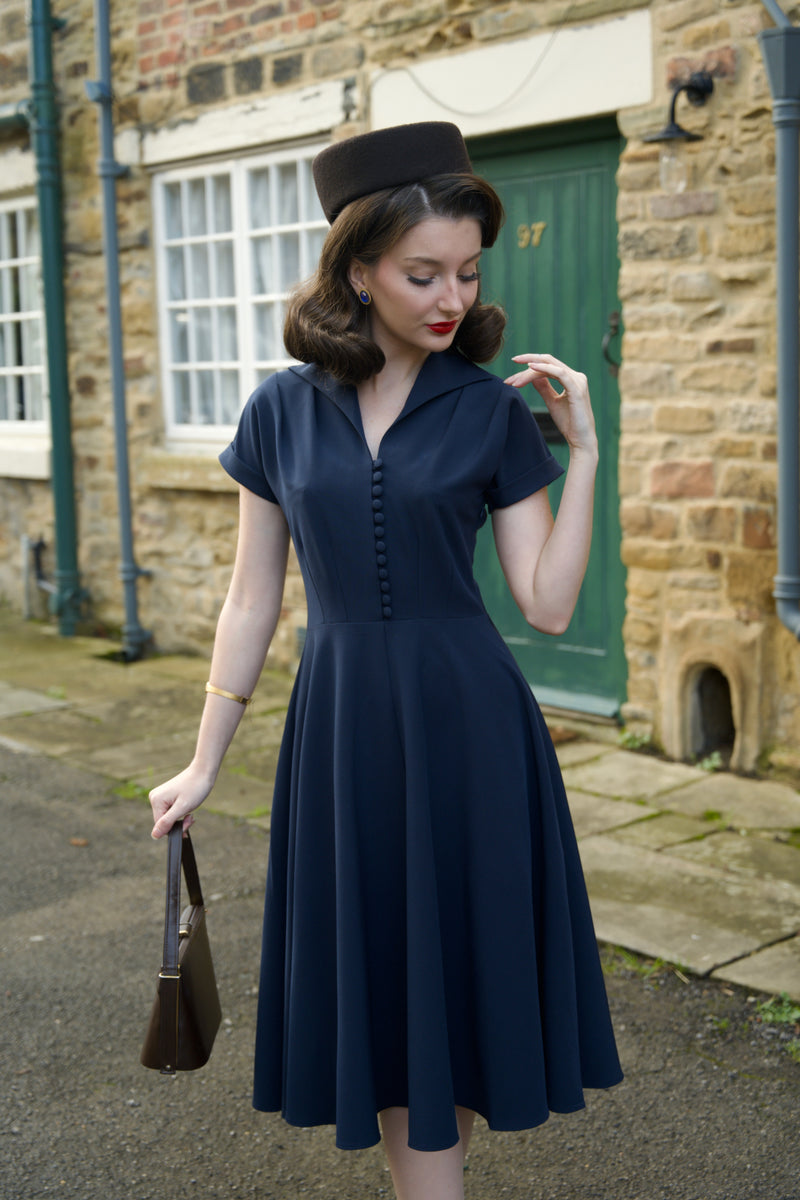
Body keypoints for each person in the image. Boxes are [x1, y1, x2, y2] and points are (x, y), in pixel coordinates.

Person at [149, 121, 622, 1200]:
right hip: (343, 725)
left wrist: (583, 452)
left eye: (464, 272)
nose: (450, 297)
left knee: (449, 980)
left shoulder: (490, 411)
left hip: (470, 731)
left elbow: (547, 606)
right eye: (421, 273)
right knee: (390, 978)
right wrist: (204, 759)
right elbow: (250, 595)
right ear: (357, 271)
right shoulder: (277, 410)